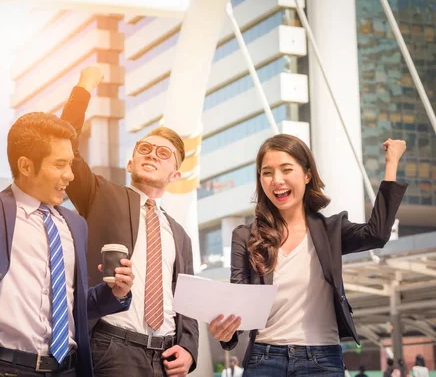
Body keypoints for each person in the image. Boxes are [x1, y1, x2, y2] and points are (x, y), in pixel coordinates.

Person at [0, 112, 136, 377]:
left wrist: (115, 293)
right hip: (4, 368)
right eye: (60, 164)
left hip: (67, 369)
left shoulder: (75, 224)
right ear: (26, 166)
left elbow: (74, 304)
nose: (70, 175)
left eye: (70, 164)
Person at [208, 134, 407, 376]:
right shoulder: (245, 236)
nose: (276, 180)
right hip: (264, 360)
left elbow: (377, 234)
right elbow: (239, 306)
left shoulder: (331, 231)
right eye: (267, 172)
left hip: (322, 359)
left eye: (286, 169)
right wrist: (226, 334)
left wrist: (392, 163)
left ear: (307, 175)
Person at [60, 66, 199, 377]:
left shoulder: (180, 235)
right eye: (144, 150)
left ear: (175, 175)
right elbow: (66, 147)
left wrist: (189, 349)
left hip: (165, 357)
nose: (151, 155)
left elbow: (186, 299)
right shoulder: (100, 194)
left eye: (163, 154)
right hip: (110, 346)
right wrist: (83, 88)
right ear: (130, 162)